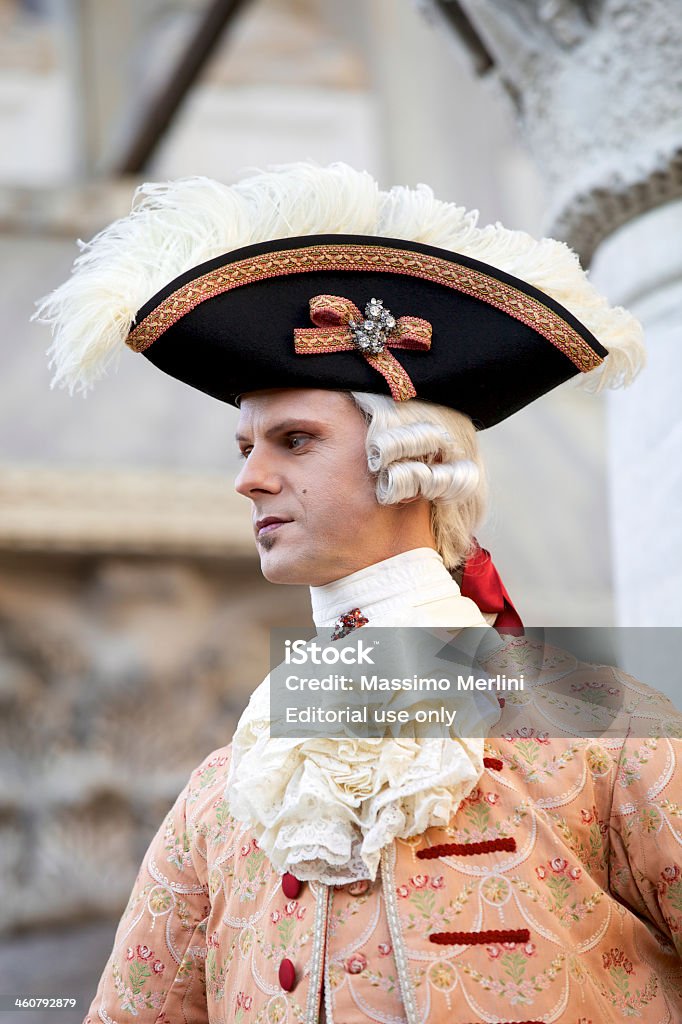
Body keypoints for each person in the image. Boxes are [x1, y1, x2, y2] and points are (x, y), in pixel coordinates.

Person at [37, 164, 682, 1023]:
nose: (251, 480)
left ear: (407, 461)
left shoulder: (593, 723)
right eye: (243, 448)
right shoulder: (224, 792)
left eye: (294, 441)